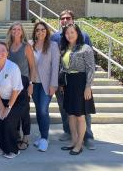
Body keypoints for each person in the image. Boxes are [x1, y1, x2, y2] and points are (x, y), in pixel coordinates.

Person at [51, 9, 96, 150]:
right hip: (65, 81)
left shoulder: (85, 41)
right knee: (67, 111)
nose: (65, 20)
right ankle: (70, 135)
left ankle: (87, 138)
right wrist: (59, 82)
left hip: (80, 82)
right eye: (62, 18)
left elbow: (90, 66)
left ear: (73, 20)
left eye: (68, 17)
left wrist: (88, 86)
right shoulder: (55, 38)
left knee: (82, 113)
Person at [0, 42, 25, 159]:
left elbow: (16, 90)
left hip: (17, 98)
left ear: (7, 53)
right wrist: (1, 107)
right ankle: (2, 146)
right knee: (0, 120)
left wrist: (8, 107)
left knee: (8, 121)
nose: (0, 53)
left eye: (3, 50)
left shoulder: (13, 67)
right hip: (0, 98)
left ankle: (13, 149)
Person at [29, 21, 60, 152]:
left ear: (46, 31)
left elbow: (55, 67)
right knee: (38, 110)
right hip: (34, 83)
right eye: (38, 30)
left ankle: (45, 138)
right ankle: (42, 136)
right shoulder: (30, 45)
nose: (40, 32)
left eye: (43, 29)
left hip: (46, 84)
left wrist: (54, 84)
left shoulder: (53, 45)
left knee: (43, 110)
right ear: (35, 32)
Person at [6, 22, 36, 150]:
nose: (16, 31)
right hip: (9, 83)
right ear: (11, 31)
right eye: (14, 29)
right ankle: (16, 134)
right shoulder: (7, 46)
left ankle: (26, 137)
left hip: (23, 82)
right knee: (13, 110)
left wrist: (31, 84)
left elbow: (32, 67)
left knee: (24, 111)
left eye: (19, 29)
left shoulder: (26, 47)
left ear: (22, 32)